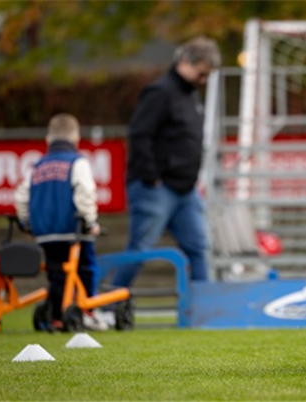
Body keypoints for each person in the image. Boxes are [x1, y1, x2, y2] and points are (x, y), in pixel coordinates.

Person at [110, 36, 221, 288]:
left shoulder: (191, 95)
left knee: (198, 247)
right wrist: (151, 177)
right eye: (201, 74)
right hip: (157, 189)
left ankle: (203, 312)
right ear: (185, 62)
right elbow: (140, 135)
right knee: (140, 248)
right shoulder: (160, 92)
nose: (203, 81)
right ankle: (108, 305)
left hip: (185, 189)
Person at [15, 113, 107, 331]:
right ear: (76, 140)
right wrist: (91, 221)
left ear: (48, 140)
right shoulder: (77, 162)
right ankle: (87, 311)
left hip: (46, 233)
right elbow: (85, 193)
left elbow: (21, 195)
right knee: (86, 269)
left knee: (57, 274)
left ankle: (57, 316)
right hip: (73, 232)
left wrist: (26, 222)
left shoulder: (37, 166)